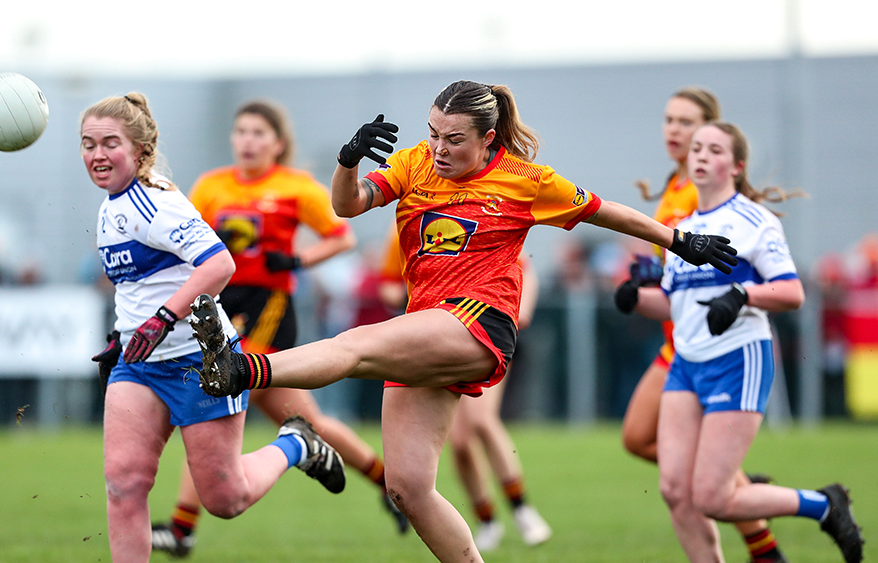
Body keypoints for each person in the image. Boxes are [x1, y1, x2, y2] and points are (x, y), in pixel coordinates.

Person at [188, 80, 738, 563]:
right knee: (408, 488)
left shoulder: (527, 180)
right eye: (433, 133)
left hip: (479, 321)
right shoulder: (412, 163)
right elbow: (347, 207)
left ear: (488, 140)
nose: (439, 148)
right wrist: (348, 160)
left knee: (357, 344)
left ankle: (243, 369)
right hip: (426, 324)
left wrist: (681, 241)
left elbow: (605, 209)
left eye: (454, 140)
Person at [81, 93, 346, 563]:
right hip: (138, 363)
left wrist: (163, 319)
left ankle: (295, 443)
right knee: (124, 484)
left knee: (225, 500)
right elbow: (139, 285)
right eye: (87, 144)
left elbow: (218, 264)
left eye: (109, 143)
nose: (97, 155)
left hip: (198, 360)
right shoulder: (110, 207)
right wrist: (122, 337)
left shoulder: (156, 202)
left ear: (139, 150)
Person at [150, 99, 407, 558]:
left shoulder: (294, 186)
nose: (247, 141)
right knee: (312, 421)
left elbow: (341, 236)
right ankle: (392, 485)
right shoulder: (212, 185)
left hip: (269, 306)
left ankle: (182, 528)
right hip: (225, 306)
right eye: (241, 131)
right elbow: (187, 241)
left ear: (278, 143)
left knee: (207, 400)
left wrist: (295, 260)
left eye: (257, 133)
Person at [620, 121, 863, 563]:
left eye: (713, 150)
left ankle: (824, 504)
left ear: (736, 166)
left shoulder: (754, 220)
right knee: (676, 491)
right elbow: (677, 303)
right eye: (696, 148)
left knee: (712, 497)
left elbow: (792, 292)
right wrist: (636, 299)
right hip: (686, 363)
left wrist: (742, 294)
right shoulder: (685, 228)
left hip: (737, 360)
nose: (700, 155)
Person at [618, 87, 789, 563]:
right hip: (681, 337)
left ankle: (753, 524)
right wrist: (648, 279)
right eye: (669, 120)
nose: (674, 130)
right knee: (638, 439)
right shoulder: (675, 188)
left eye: (686, 123)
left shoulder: (703, 191)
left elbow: (734, 254)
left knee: (671, 462)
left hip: (710, 342)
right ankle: (734, 485)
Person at [447, 254, 552, 551]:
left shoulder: (473, 213)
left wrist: (522, 312)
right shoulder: (407, 225)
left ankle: (521, 509)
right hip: (442, 338)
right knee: (460, 443)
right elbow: (390, 283)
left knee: (481, 419)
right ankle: (487, 521)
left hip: (486, 333)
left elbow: (526, 267)